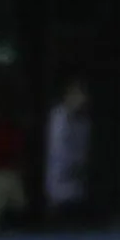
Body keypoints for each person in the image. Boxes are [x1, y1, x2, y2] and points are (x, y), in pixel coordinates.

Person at [43, 78, 89, 220]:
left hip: (77, 193)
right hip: (56, 193)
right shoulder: (57, 119)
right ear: (69, 94)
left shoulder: (84, 123)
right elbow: (58, 153)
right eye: (78, 94)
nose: (82, 99)